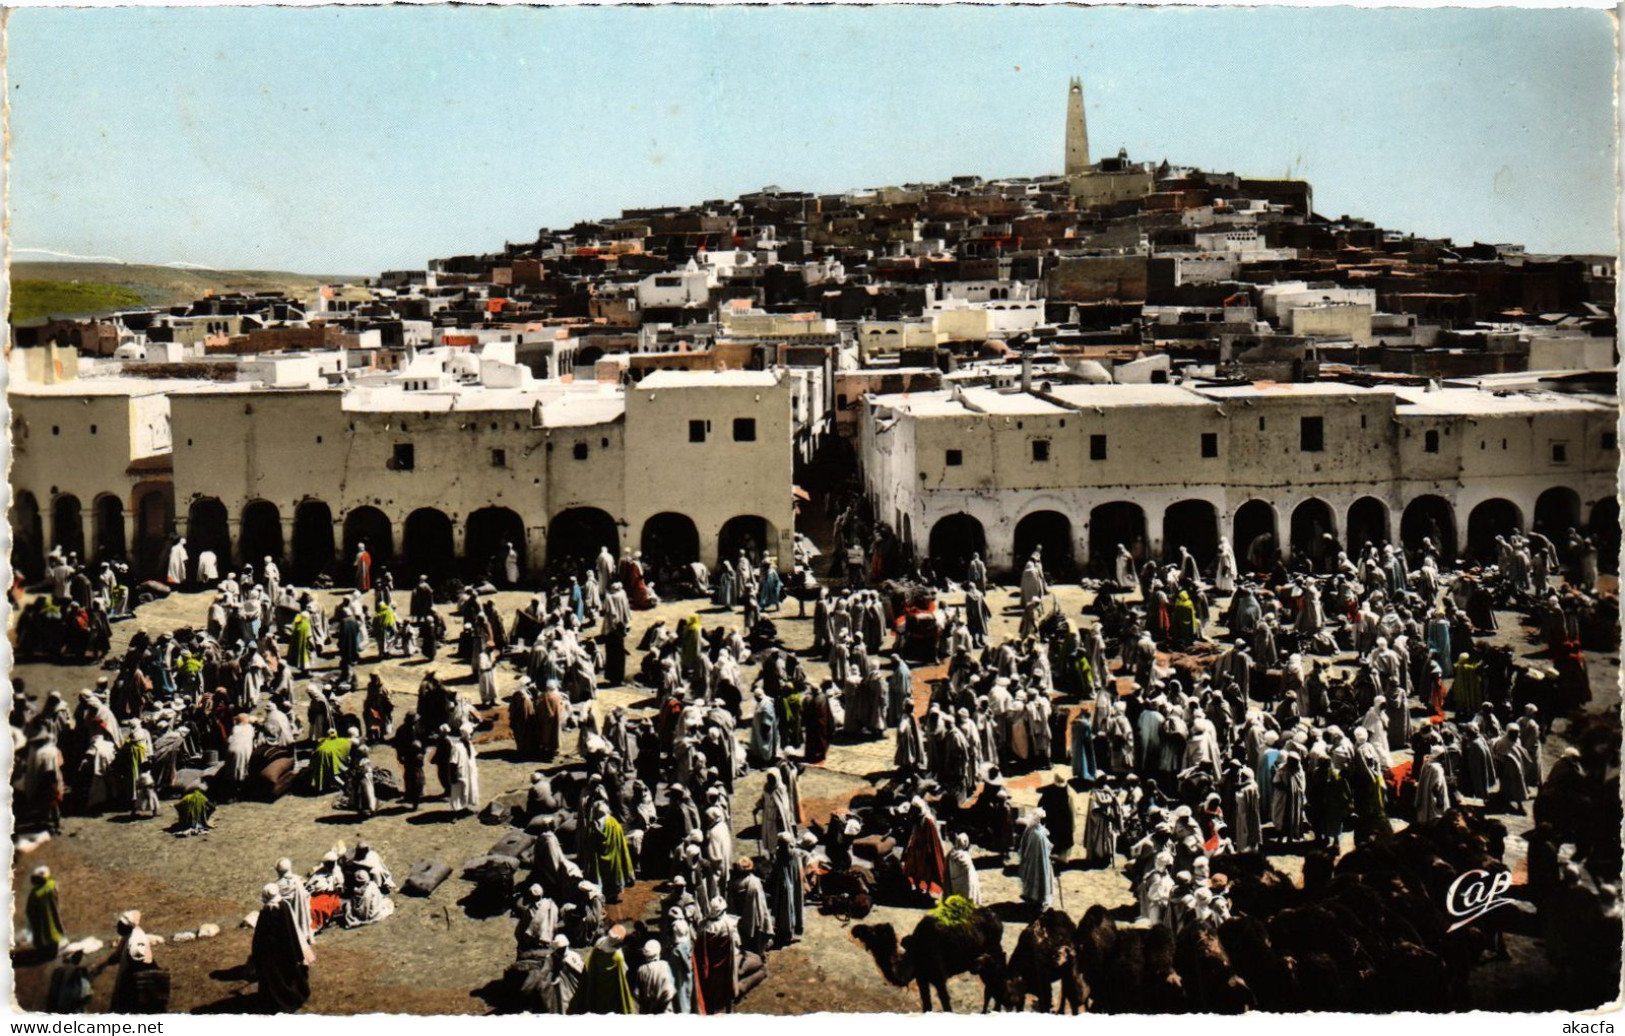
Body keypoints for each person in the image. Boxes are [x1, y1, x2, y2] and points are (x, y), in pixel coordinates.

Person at [251, 883, 312, 1012]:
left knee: (273, 978)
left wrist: (257, 954)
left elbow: (260, 935)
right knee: (287, 975)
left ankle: (276, 1001)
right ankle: (291, 997)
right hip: (285, 950)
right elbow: (291, 931)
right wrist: (295, 951)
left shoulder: (266, 912)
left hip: (271, 953)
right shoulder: (284, 907)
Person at [571, 926, 635, 1014]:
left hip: (597, 982)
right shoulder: (618, 956)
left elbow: (591, 962)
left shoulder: (599, 944)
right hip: (611, 990)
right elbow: (623, 974)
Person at [1018, 809, 1057, 910]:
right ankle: (1038, 900)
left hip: (1031, 861)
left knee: (1032, 879)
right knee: (1041, 879)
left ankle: (1033, 897)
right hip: (1040, 862)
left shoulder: (1031, 830)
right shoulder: (1038, 834)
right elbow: (1045, 848)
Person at [26, 866, 65, 958]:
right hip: (53, 916)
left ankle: (44, 952)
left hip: (41, 920)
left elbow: (30, 910)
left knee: (42, 934)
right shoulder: (52, 884)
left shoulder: (35, 894)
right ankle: (52, 951)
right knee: (54, 932)